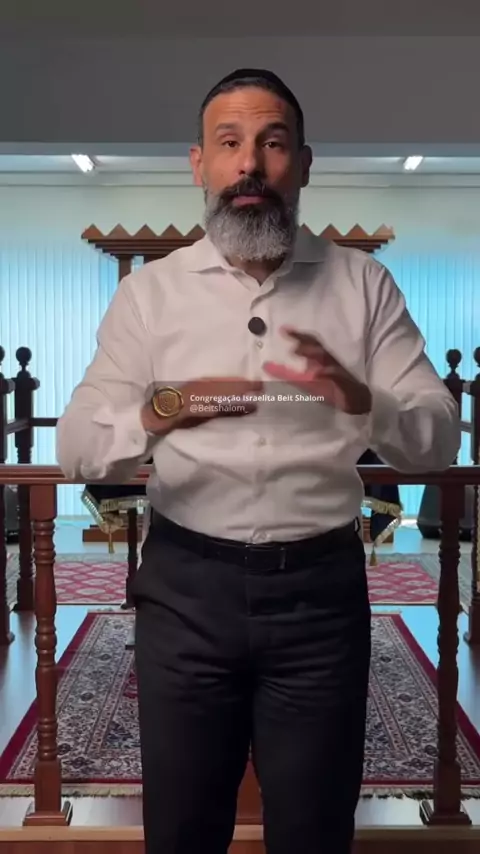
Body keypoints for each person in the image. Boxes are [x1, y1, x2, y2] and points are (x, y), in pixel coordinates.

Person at [56, 68, 461, 854]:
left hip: (320, 596)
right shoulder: (149, 296)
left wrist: (363, 401)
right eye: (229, 143)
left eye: (272, 144)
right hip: (185, 591)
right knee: (182, 831)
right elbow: (75, 448)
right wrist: (167, 406)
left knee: (314, 832)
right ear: (199, 164)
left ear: (302, 164)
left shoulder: (365, 285)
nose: (250, 164)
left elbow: (439, 441)